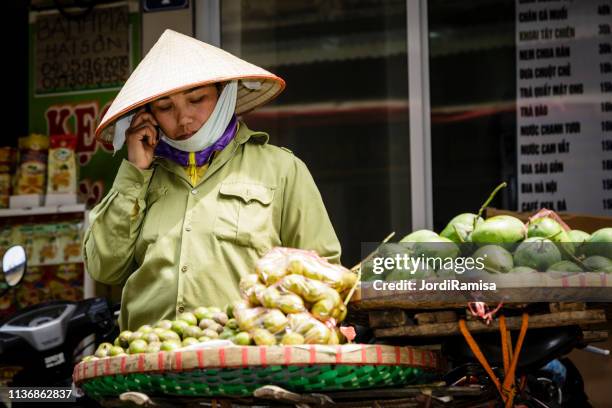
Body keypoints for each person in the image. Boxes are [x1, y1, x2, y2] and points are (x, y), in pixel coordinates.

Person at [83, 30, 341, 331]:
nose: (184, 119)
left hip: (248, 358)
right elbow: (104, 267)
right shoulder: (139, 176)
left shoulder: (282, 169)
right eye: (166, 108)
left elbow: (323, 273)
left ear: (223, 96)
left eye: (197, 100)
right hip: (152, 360)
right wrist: (134, 171)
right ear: (147, 115)